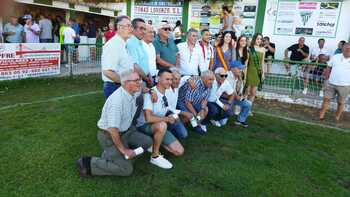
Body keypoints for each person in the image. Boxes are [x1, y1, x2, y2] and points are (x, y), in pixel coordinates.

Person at [76, 69, 153, 177]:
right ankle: (89, 163)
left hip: (126, 131)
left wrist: (151, 91)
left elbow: (143, 89)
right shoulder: (116, 102)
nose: (139, 82)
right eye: (136, 80)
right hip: (109, 136)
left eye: (139, 79)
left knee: (147, 142)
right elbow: (113, 130)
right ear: (126, 83)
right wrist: (124, 150)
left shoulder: (134, 90)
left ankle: (114, 156)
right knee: (126, 170)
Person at [137, 69, 186, 169]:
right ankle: (155, 156)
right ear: (158, 79)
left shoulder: (165, 93)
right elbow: (148, 118)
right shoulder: (150, 94)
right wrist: (167, 119)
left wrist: (174, 116)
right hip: (144, 126)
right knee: (163, 125)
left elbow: (166, 108)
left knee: (179, 151)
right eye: (167, 79)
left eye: (171, 79)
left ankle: (153, 142)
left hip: (158, 125)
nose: (170, 82)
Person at [101, 15, 135, 99]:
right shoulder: (113, 45)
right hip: (115, 87)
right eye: (129, 26)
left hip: (121, 85)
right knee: (117, 111)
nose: (131, 29)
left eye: (131, 26)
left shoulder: (123, 43)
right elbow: (108, 72)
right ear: (119, 27)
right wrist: (127, 82)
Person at [319, 43, 350, 121]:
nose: (348, 50)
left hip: (345, 85)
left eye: (349, 48)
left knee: (341, 103)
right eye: (346, 48)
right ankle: (321, 116)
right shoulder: (336, 57)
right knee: (326, 99)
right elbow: (329, 66)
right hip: (331, 83)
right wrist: (326, 78)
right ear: (342, 49)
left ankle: (337, 117)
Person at [126, 18, 152, 87]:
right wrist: (147, 79)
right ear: (133, 29)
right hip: (138, 80)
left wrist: (148, 74)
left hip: (143, 78)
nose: (143, 31)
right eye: (141, 28)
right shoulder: (131, 43)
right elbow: (135, 66)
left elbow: (143, 62)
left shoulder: (139, 42)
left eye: (144, 29)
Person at [228, 61, 252, 128]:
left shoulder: (239, 77)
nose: (241, 70)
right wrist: (239, 97)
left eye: (241, 68)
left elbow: (239, 93)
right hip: (225, 99)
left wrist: (242, 95)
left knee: (248, 104)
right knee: (223, 121)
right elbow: (231, 92)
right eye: (239, 68)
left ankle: (240, 120)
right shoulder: (227, 76)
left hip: (234, 99)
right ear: (232, 69)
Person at [245, 33, 265, 110]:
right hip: (250, 70)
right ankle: (243, 107)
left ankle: (248, 109)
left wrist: (263, 73)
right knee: (246, 91)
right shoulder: (250, 48)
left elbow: (262, 62)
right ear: (254, 39)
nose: (259, 40)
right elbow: (247, 62)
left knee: (253, 92)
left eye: (260, 39)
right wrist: (245, 72)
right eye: (257, 39)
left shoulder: (263, 49)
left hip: (257, 72)